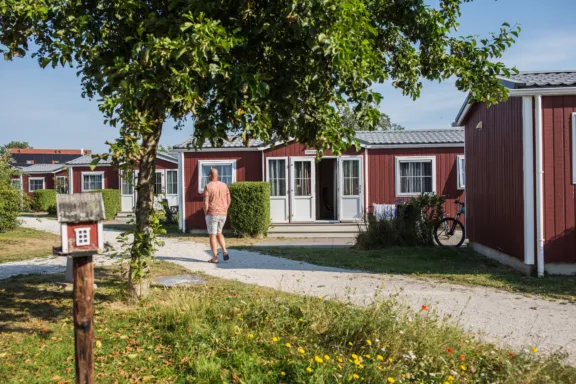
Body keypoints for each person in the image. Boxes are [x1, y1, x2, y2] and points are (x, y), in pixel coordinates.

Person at [203, 168, 231, 263]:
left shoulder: (208, 186)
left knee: (212, 235)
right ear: (217, 175)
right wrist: (225, 209)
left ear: (210, 175)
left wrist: (206, 212)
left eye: (208, 175)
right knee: (219, 232)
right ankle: (224, 250)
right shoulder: (224, 186)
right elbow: (229, 200)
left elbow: (205, 202)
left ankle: (215, 258)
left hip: (212, 214)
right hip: (223, 214)